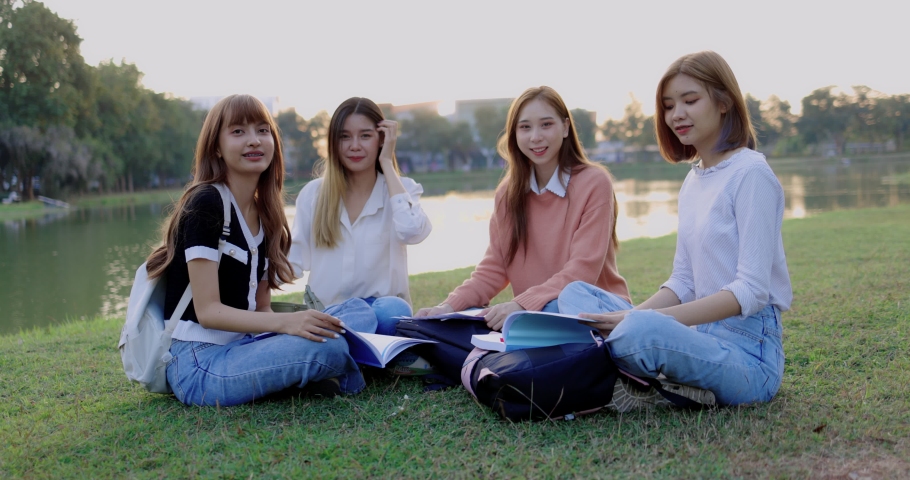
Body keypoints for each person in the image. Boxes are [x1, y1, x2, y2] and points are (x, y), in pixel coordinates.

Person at [559, 51, 792, 407]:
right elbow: (683, 281)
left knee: (641, 330)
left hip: (749, 359)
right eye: (669, 105)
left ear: (724, 101)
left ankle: (636, 372)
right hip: (694, 336)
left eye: (690, 100)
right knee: (575, 296)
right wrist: (633, 317)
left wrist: (643, 320)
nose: (676, 114)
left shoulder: (751, 175)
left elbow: (751, 291)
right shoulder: (694, 180)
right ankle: (647, 373)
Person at [148, 94, 367, 406]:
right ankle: (336, 369)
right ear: (216, 147)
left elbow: (261, 308)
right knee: (328, 346)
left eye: (263, 130)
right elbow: (208, 312)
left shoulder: (264, 213)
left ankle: (317, 367)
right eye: (238, 132)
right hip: (200, 364)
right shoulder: (206, 202)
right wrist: (286, 324)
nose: (254, 141)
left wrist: (290, 328)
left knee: (359, 311)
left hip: (245, 345)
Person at [416, 86, 630, 331]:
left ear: (565, 128)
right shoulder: (507, 194)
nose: (535, 137)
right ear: (514, 134)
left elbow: (582, 271)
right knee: (475, 321)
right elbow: (494, 267)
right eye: (525, 127)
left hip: (598, 310)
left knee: (554, 306)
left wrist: (522, 304)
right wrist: (448, 307)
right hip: (538, 311)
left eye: (546, 124)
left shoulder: (594, 182)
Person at [290, 97, 431, 336]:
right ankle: (350, 346)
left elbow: (413, 232)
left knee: (391, 310)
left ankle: (351, 347)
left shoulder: (402, 189)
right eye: (345, 137)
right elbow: (292, 262)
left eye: (365, 136)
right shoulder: (313, 194)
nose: (354, 146)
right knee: (342, 319)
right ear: (334, 143)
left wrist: (386, 162)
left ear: (382, 140)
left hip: (383, 315)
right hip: (332, 315)